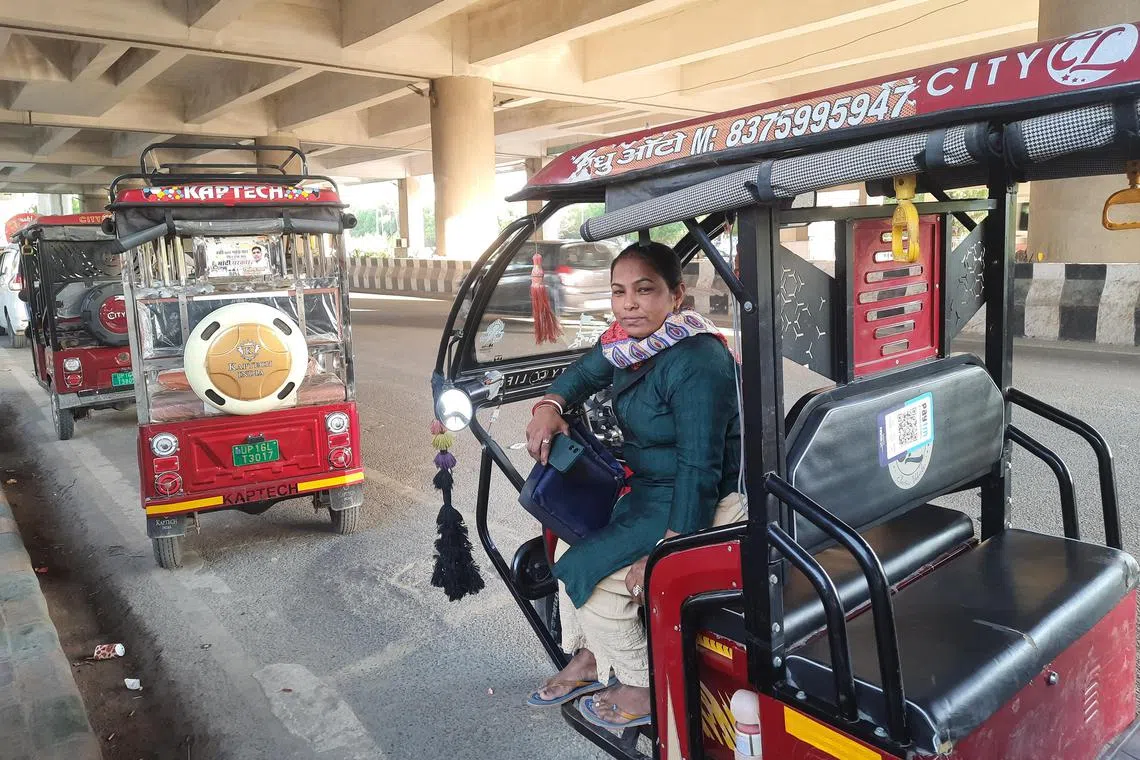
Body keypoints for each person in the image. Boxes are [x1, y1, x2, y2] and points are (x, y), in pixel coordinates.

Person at [524, 241, 744, 730]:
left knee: (599, 586)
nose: (629, 304)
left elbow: (700, 467)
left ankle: (644, 683)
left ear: (676, 295)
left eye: (644, 291)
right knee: (568, 551)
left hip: (698, 498)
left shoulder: (697, 360)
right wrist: (550, 406)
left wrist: (670, 551)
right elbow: (583, 374)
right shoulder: (630, 344)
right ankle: (591, 658)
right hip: (652, 490)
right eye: (619, 292)